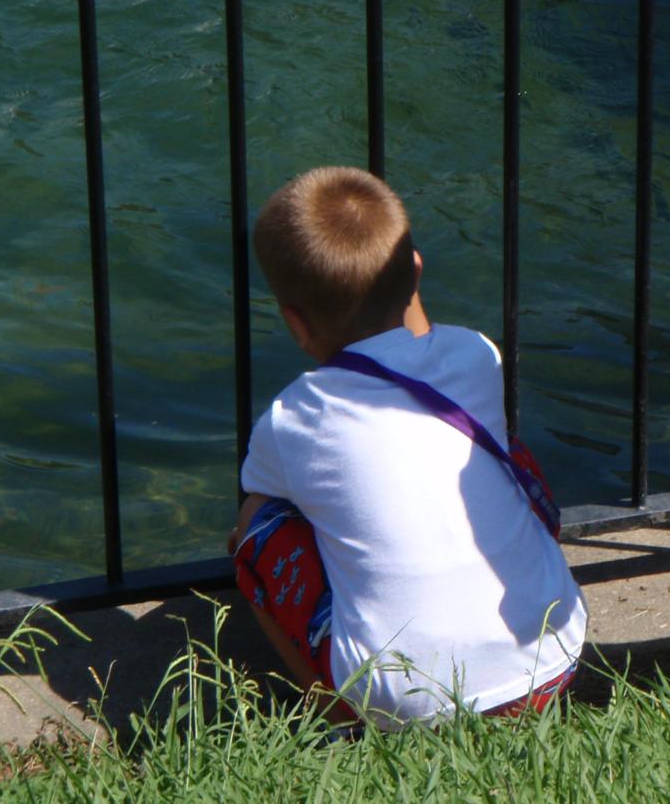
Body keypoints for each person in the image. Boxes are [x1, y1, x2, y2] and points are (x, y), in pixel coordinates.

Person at [229, 165, 587, 726]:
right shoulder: (478, 355)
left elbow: (264, 502)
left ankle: (338, 717)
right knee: (503, 450)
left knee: (256, 522)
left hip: (402, 704)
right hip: (553, 661)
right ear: (415, 271)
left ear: (295, 323)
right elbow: (420, 341)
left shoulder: (292, 416)